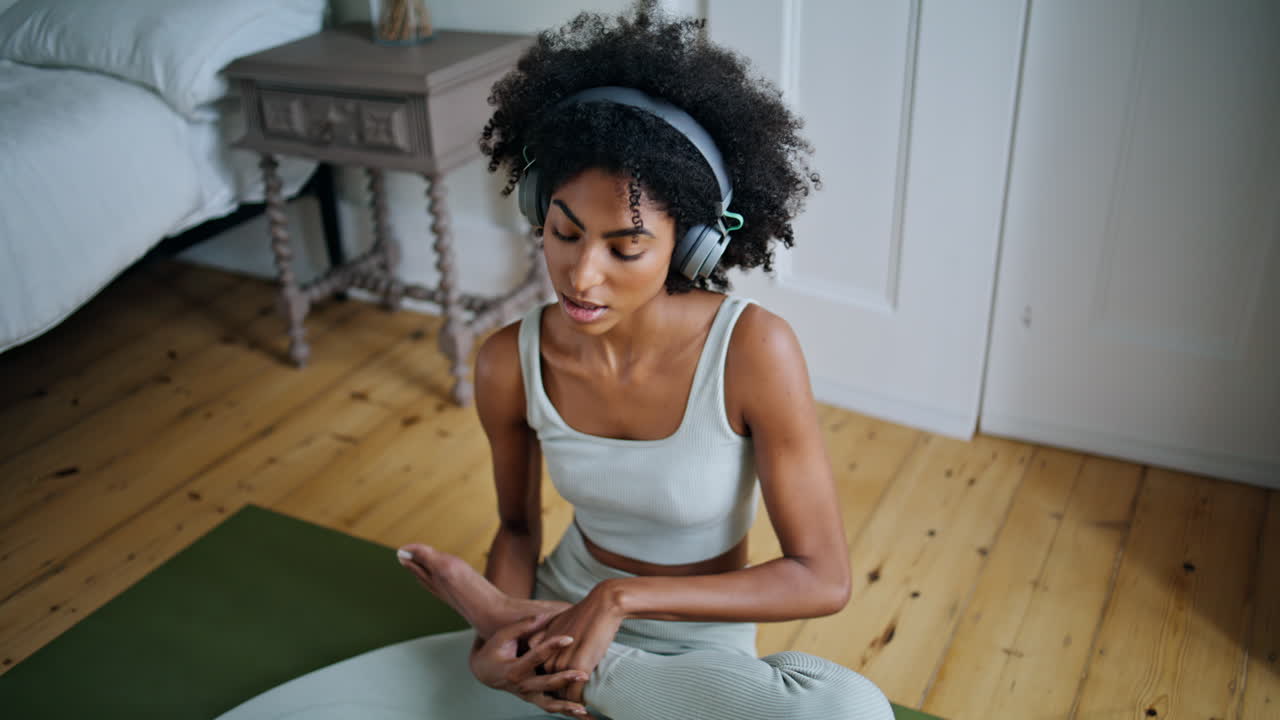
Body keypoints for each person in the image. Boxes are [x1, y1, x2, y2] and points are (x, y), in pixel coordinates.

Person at [216, 3, 893, 719]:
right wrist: (507, 627)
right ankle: (557, 663)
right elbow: (516, 529)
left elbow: (821, 577)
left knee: (845, 712)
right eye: (563, 233)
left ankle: (589, 673)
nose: (582, 275)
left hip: (696, 642)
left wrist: (611, 599)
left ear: (692, 248)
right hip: (553, 610)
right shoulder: (508, 361)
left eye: (625, 249)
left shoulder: (755, 351)